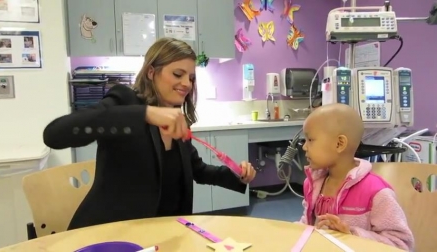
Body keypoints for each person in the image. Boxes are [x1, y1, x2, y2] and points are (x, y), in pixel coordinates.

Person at [43, 37, 256, 230]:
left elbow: (198, 170)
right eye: (177, 74)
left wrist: (238, 175)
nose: (186, 84)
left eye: (191, 78)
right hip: (112, 236)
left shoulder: (175, 120)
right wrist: (145, 113)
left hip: (164, 235)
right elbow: (55, 134)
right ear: (151, 73)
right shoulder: (124, 100)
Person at [297, 103, 414, 251]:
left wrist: (351, 235)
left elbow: (401, 245)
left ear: (339, 144)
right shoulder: (313, 184)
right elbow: (308, 225)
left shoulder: (377, 193)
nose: (304, 147)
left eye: (310, 140)